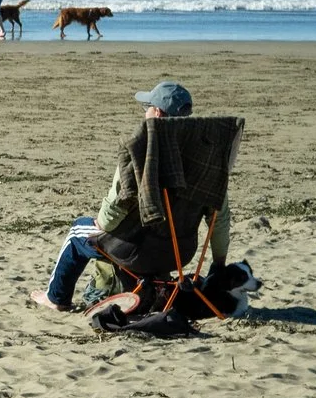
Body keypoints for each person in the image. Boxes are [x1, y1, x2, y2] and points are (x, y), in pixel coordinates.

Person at [34, 81, 232, 313]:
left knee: (79, 231)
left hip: (137, 252)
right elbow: (219, 218)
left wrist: (101, 224)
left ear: (157, 112)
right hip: (180, 253)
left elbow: (115, 209)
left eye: (147, 106)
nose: (145, 111)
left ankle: (56, 298)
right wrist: (219, 262)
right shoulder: (207, 163)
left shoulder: (140, 150)